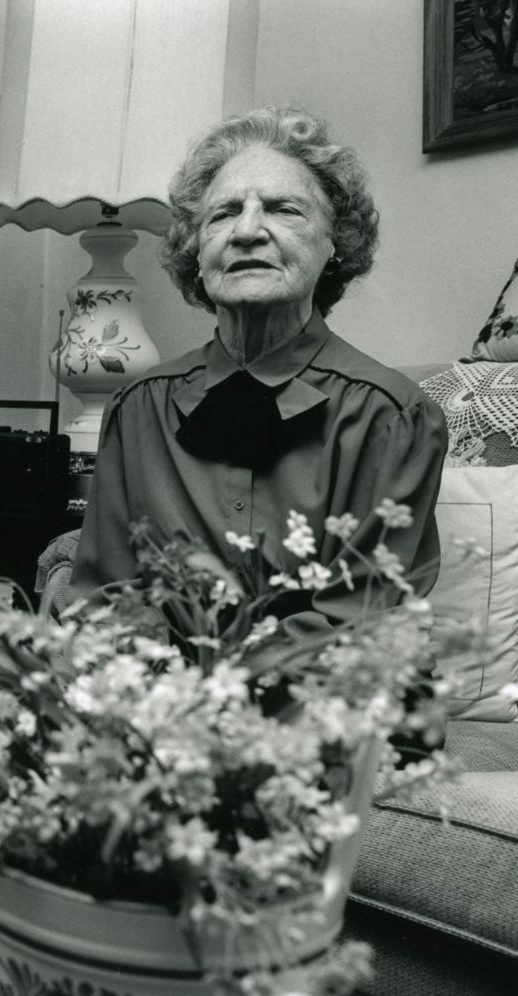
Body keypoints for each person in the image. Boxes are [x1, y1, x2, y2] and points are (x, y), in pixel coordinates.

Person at [68, 105, 448, 634]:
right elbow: (107, 602)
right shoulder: (139, 407)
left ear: (335, 243)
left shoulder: (390, 415)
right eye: (222, 214)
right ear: (196, 251)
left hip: (329, 702)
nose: (247, 231)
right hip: (158, 704)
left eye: (282, 209)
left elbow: (359, 624)